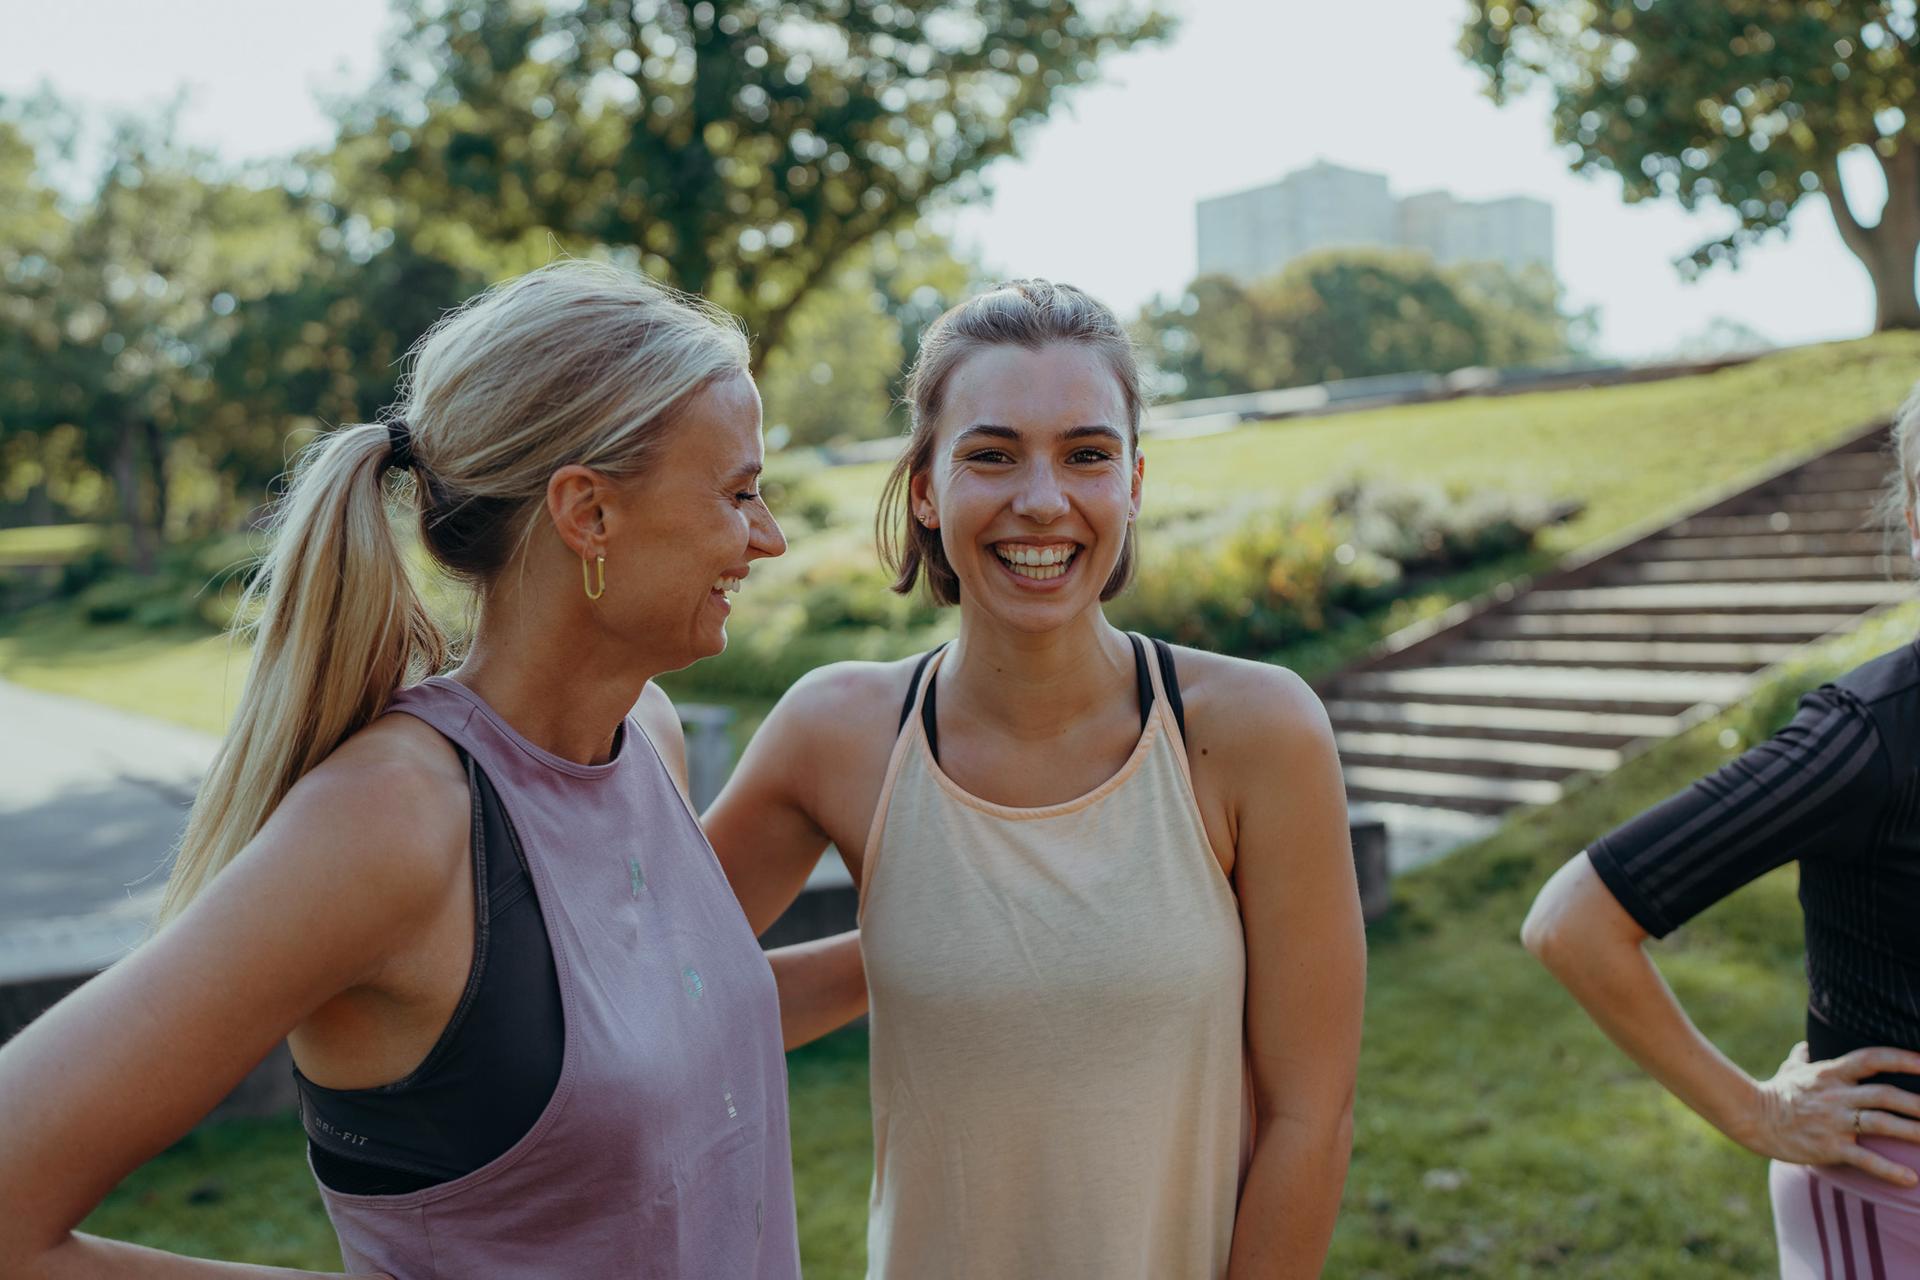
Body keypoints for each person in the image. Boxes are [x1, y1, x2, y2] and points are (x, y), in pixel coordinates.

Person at [0, 261, 866, 1279]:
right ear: (588, 512)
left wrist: (919, 945)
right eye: (738, 492)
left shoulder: (646, 733)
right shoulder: (395, 818)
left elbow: (661, 1039)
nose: (766, 536)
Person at [703, 280, 1366, 1279]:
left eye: (1087, 455)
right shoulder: (836, 733)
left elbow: (1310, 1117)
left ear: (1134, 481)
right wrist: (898, 949)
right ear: (926, 486)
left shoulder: (1256, 733)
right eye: (993, 453)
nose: (1044, 499)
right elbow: (661, 998)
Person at [1522, 381, 1920, 1276]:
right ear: (1917, 524)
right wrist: (1759, 1113)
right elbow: (1572, 922)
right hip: (1892, 1195)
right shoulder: (1865, 738)